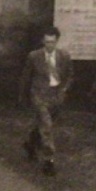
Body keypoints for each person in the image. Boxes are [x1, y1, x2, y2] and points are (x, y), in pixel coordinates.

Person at [19, 25, 74, 176]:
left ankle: (31, 144)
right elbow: (26, 77)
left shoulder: (64, 56)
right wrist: (23, 96)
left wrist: (63, 90)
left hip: (56, 97)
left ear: (57, 41)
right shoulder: (34, 56)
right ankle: (49, 161)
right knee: (47, 126)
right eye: (47, 42)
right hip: (39, 95)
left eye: (53, 42)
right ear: (43, 41)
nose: (50, 45)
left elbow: (69, 76)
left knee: (44, 126)